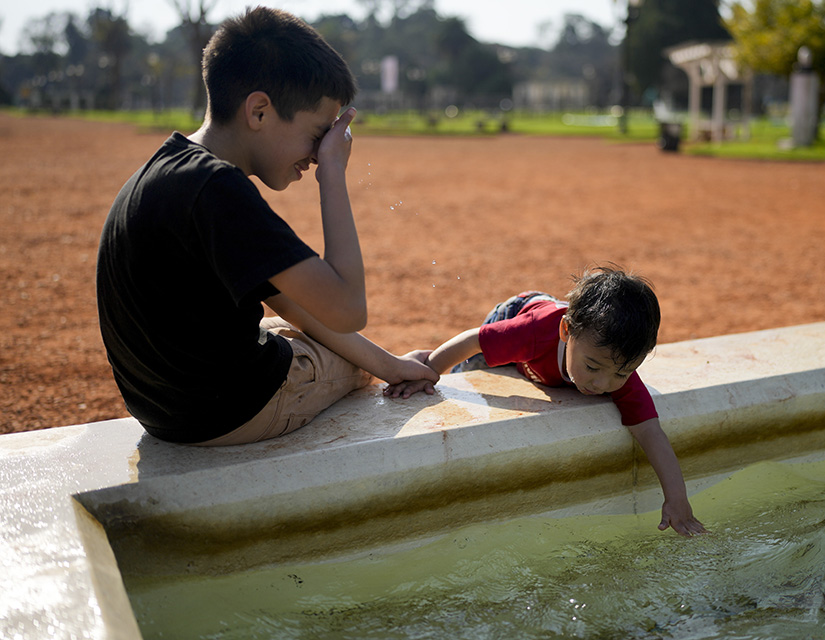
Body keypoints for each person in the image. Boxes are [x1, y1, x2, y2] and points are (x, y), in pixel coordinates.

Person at [96, 7, 437, 446]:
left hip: (161, 411)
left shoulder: (170, 170)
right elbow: (348, 309)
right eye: (318, 135)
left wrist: (390, 362)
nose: (318, 152)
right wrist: (332, 172)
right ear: (258, 111)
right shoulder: (219, 188)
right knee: (349, 362)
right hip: (230, 412)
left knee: (289, 328)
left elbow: (290, 301)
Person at [385, 266, 706, 536]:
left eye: (621, 374)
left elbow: (650, 431)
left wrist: (677, 498)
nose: (603, 385)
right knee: (471, 371)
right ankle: (424, 360)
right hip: (520, 310)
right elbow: (473, 341)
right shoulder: (534, 333)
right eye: (592, 368)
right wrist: (429, 373)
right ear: (567, 332)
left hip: (570, 327)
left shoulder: (613, 364)